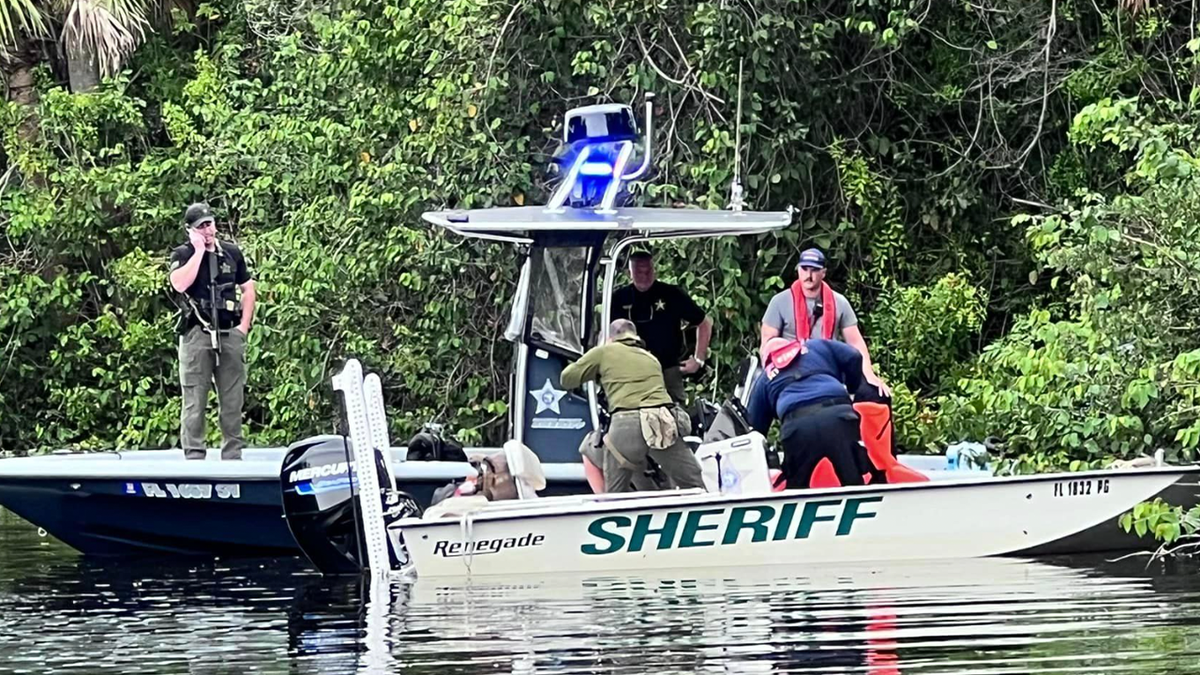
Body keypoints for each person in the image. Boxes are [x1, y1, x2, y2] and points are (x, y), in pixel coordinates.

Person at [560, 319, 705, 493]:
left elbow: (566, 379)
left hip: (626, 425)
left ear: (610, 338)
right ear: (635, 336)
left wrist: (596, 365)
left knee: (615, 495)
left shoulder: (604, 351)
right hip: (661, 422)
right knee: (695, 484)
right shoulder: (651, 358)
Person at [169, 202, 256, 460]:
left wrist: (244, 327)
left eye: (210, 224)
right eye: (201, 226)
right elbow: (179, 284)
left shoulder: (230, 252)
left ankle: (233, 456)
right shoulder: (182, 254)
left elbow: (248, 289)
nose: (208, 230)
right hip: (198, 333)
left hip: (230, 331)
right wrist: (198, 251)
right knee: (195, 399)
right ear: (191, 230)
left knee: (232, 401)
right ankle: (195, 457)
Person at [760, 248, 890, 398]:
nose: (809, 276)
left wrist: (869, 374)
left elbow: (856, 343)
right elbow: (767, 347)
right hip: (791, 373)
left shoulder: (839, 302)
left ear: (824, 273)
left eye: (815, 270)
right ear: (798, 270)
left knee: (876, 394)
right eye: (805, 269)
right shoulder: (779, 302)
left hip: (828, 372)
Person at [745, 336, 868, 489]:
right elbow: (854, 355)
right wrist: (851, 389)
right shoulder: (816, 345)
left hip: (798, 426)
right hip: (838, 413)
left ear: (768, 359)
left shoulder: (765, 378)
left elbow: (755, 430)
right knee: (853, 480)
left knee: (797, 488)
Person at [611, 250, 712, 404]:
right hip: (632, 371)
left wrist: (698, 359)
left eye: (648, 271)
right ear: (629, 273)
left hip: (667, 369)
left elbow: (704, 322)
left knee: (676, 417)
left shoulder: (671, 294)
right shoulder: (619, 298)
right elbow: (606, 334)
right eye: (639, 271)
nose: (644, 276)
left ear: (655, 270)